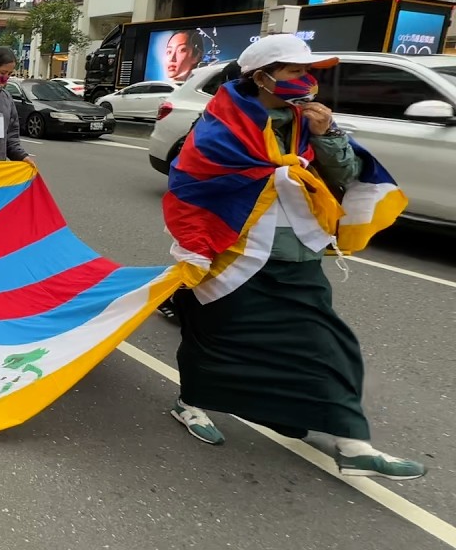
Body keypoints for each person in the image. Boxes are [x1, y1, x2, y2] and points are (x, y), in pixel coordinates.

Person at [163, 34, 424, 481]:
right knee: (215, 339)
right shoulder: (219, 126)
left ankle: (352, 443)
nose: (306, 81)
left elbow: (346, 174)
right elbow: (190, 186)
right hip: (232, 257)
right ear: (261, 77)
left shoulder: (310, 122)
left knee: (328, 346)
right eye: (294, 71)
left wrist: (328, 135)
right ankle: (191, 403)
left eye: (308, 72)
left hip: (299, 253)